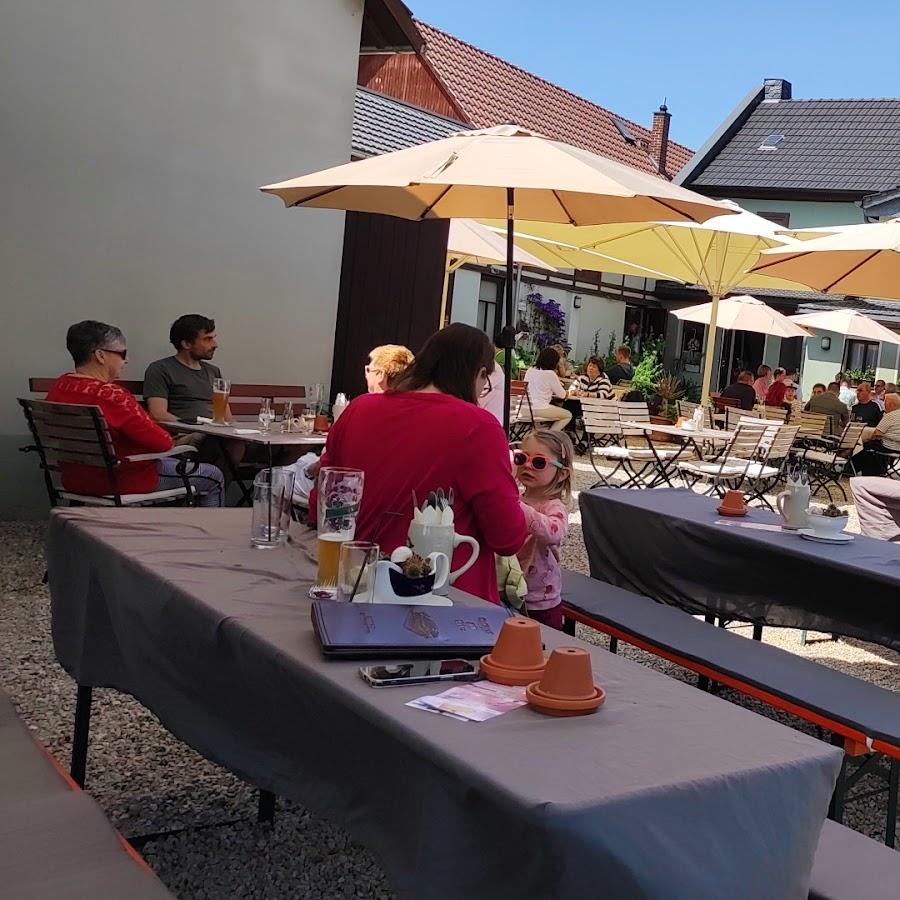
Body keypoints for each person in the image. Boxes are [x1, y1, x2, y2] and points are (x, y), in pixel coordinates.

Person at [311, 323, 527, 603]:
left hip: (354, 587)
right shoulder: (478, 427)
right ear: (480, 373)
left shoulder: (358, 409)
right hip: (444, 600)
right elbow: (508, 538)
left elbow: (321, 505)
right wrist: (510, 485)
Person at [46, 321, 224, 506]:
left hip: (74, 479)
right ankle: (208, 526)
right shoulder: (112, 396)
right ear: (100, 355)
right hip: (122, 479)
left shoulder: (58, 387)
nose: (126, 360)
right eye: (122, 354)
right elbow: (162, 442)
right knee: (213, 476)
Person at [513, 429, 573, 630]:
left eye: (539, 462)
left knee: (542, 644)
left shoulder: (554, 506)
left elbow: (555, 533)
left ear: (561, 473)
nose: (527, 465)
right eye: (522, 458)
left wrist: (517, 507)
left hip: (540, 600)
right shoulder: (516, 499)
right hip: (509, 591)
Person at [144, 315, 224, 424]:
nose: (215, 345)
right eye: (207, 339)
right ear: (186, 344)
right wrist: (193, 426)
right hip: (184, 431)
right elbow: (158, 414)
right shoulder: (160, 369)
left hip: (215, 431)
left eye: (213, 338)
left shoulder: (214, 371)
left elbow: (225, 416)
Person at [850, 392, 900, 475]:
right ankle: (879, 471)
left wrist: (869, 439)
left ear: (891, 405)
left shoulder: (890, 416)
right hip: (898, 448)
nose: (884, 406)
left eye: (885, 404)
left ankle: (852, 470)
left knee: (864, 446)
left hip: (889, 447)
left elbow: (877, 433)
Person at [524, 347, 571, 431]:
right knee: (568, 415)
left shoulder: (530, 370)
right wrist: (568, 392)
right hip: (540, 409)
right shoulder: (550, 374)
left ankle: (542, 432)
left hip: (524, 408)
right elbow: (562, 395)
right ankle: (549, 435)